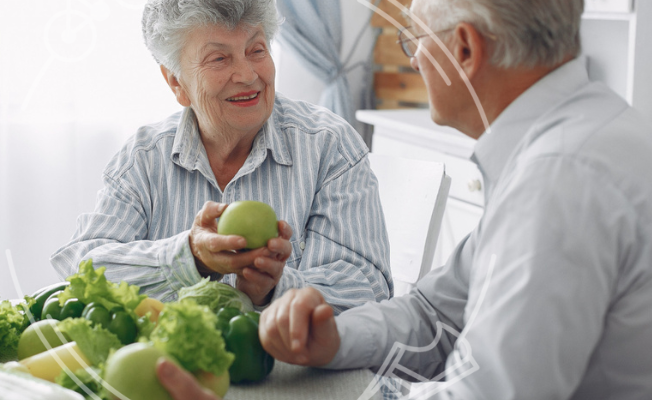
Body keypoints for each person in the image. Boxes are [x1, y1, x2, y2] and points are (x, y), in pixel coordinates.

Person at [253, 0, 652, 399]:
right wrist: (336, 339)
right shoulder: (592, 128)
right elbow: (438, 315)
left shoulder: (556, 183)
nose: (414, 62)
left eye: (416, 41)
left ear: (463, 49)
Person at [50, 0, 392, 310]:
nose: (247, 75)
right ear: (176, 83)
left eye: (256, 49)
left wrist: (276, 289)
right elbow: (83, 270)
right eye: (219, 58)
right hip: (169, 370)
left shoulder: (329, 147)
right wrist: (190, 257)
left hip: (295, 374)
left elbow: (369, 288)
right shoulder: (144, 157)